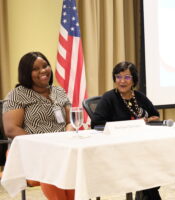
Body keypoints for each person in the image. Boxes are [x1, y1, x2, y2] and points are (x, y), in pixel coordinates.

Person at [2, 52, 75, 200]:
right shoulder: (17, 95)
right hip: (32, 151)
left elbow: (70, 121)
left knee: (76, 165)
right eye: (35, 69)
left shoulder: (59, 91)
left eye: (45, 66)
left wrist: (67, 135)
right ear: (26, 73)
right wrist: (42, 145)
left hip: (63, 147)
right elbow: (11, 129)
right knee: (52, 166)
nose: (43, 71)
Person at [92, 61, 161, 200]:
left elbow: (155, 115)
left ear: (133, 80)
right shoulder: (109, 98)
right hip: (116, 149)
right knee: (147, 168)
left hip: (140, 147)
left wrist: (148, 120)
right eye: (118, 77)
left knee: (154, 162)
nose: (122, 81)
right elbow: (96, 124)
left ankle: (146, 193)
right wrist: (125, 126)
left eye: (127, 77)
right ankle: (149, 195)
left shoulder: (139, 97)